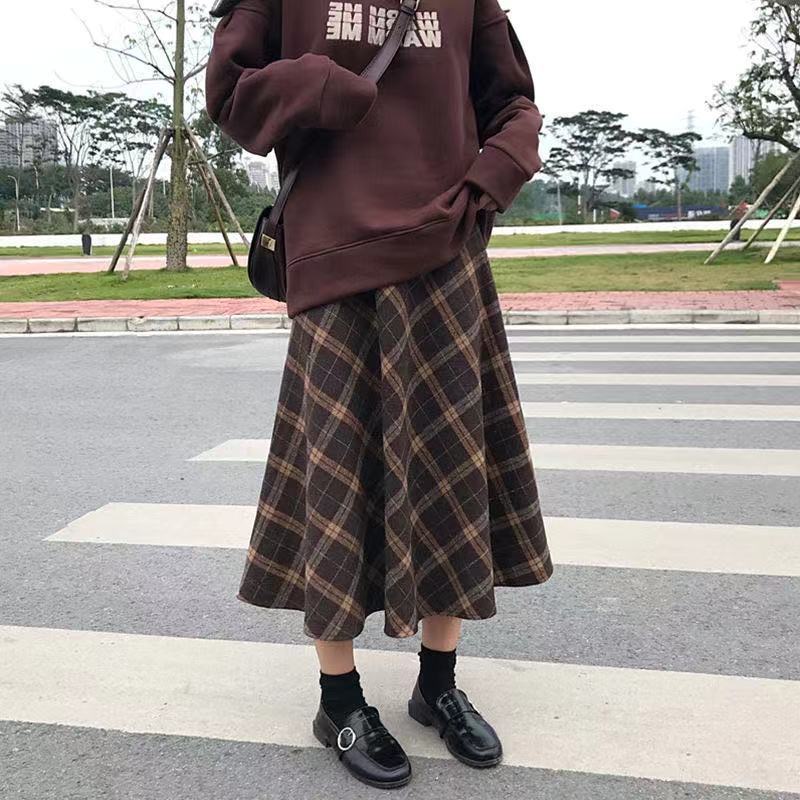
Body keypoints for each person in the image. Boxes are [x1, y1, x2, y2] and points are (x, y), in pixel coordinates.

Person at [205, 0, 553, 788]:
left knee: (451, 475)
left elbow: (514, 105)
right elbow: (229, 92)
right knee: (335, 484)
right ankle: (339, 699)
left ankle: (438, 686)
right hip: (334, 259)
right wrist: (320, 86)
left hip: (447, 260)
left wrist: (489, 181)